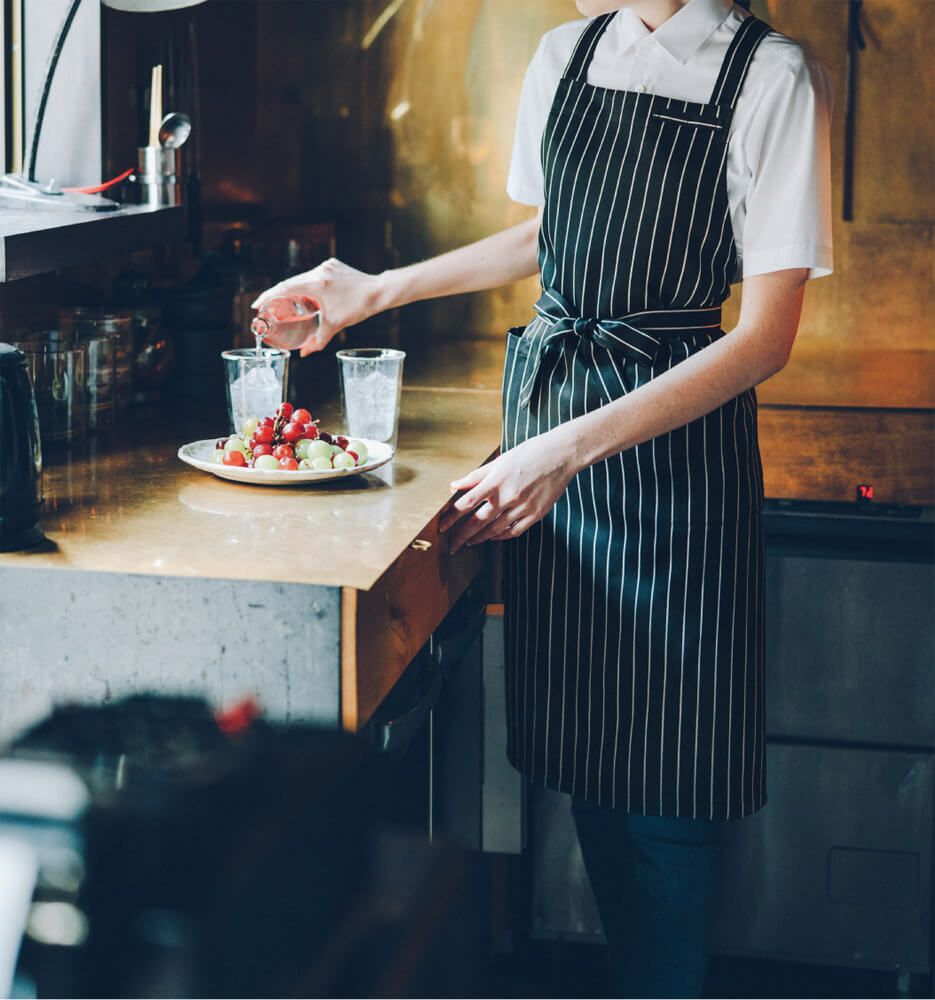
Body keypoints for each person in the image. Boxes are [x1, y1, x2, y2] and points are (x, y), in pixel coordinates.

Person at [252, 0, 833, 994]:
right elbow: (545, 237)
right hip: (553, 443)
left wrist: (565, 450)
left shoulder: (767, 75)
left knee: (665, 788)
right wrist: (376, 288)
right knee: (594, 777)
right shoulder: (566, 53)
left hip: (668, 467)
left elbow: (765, 336)